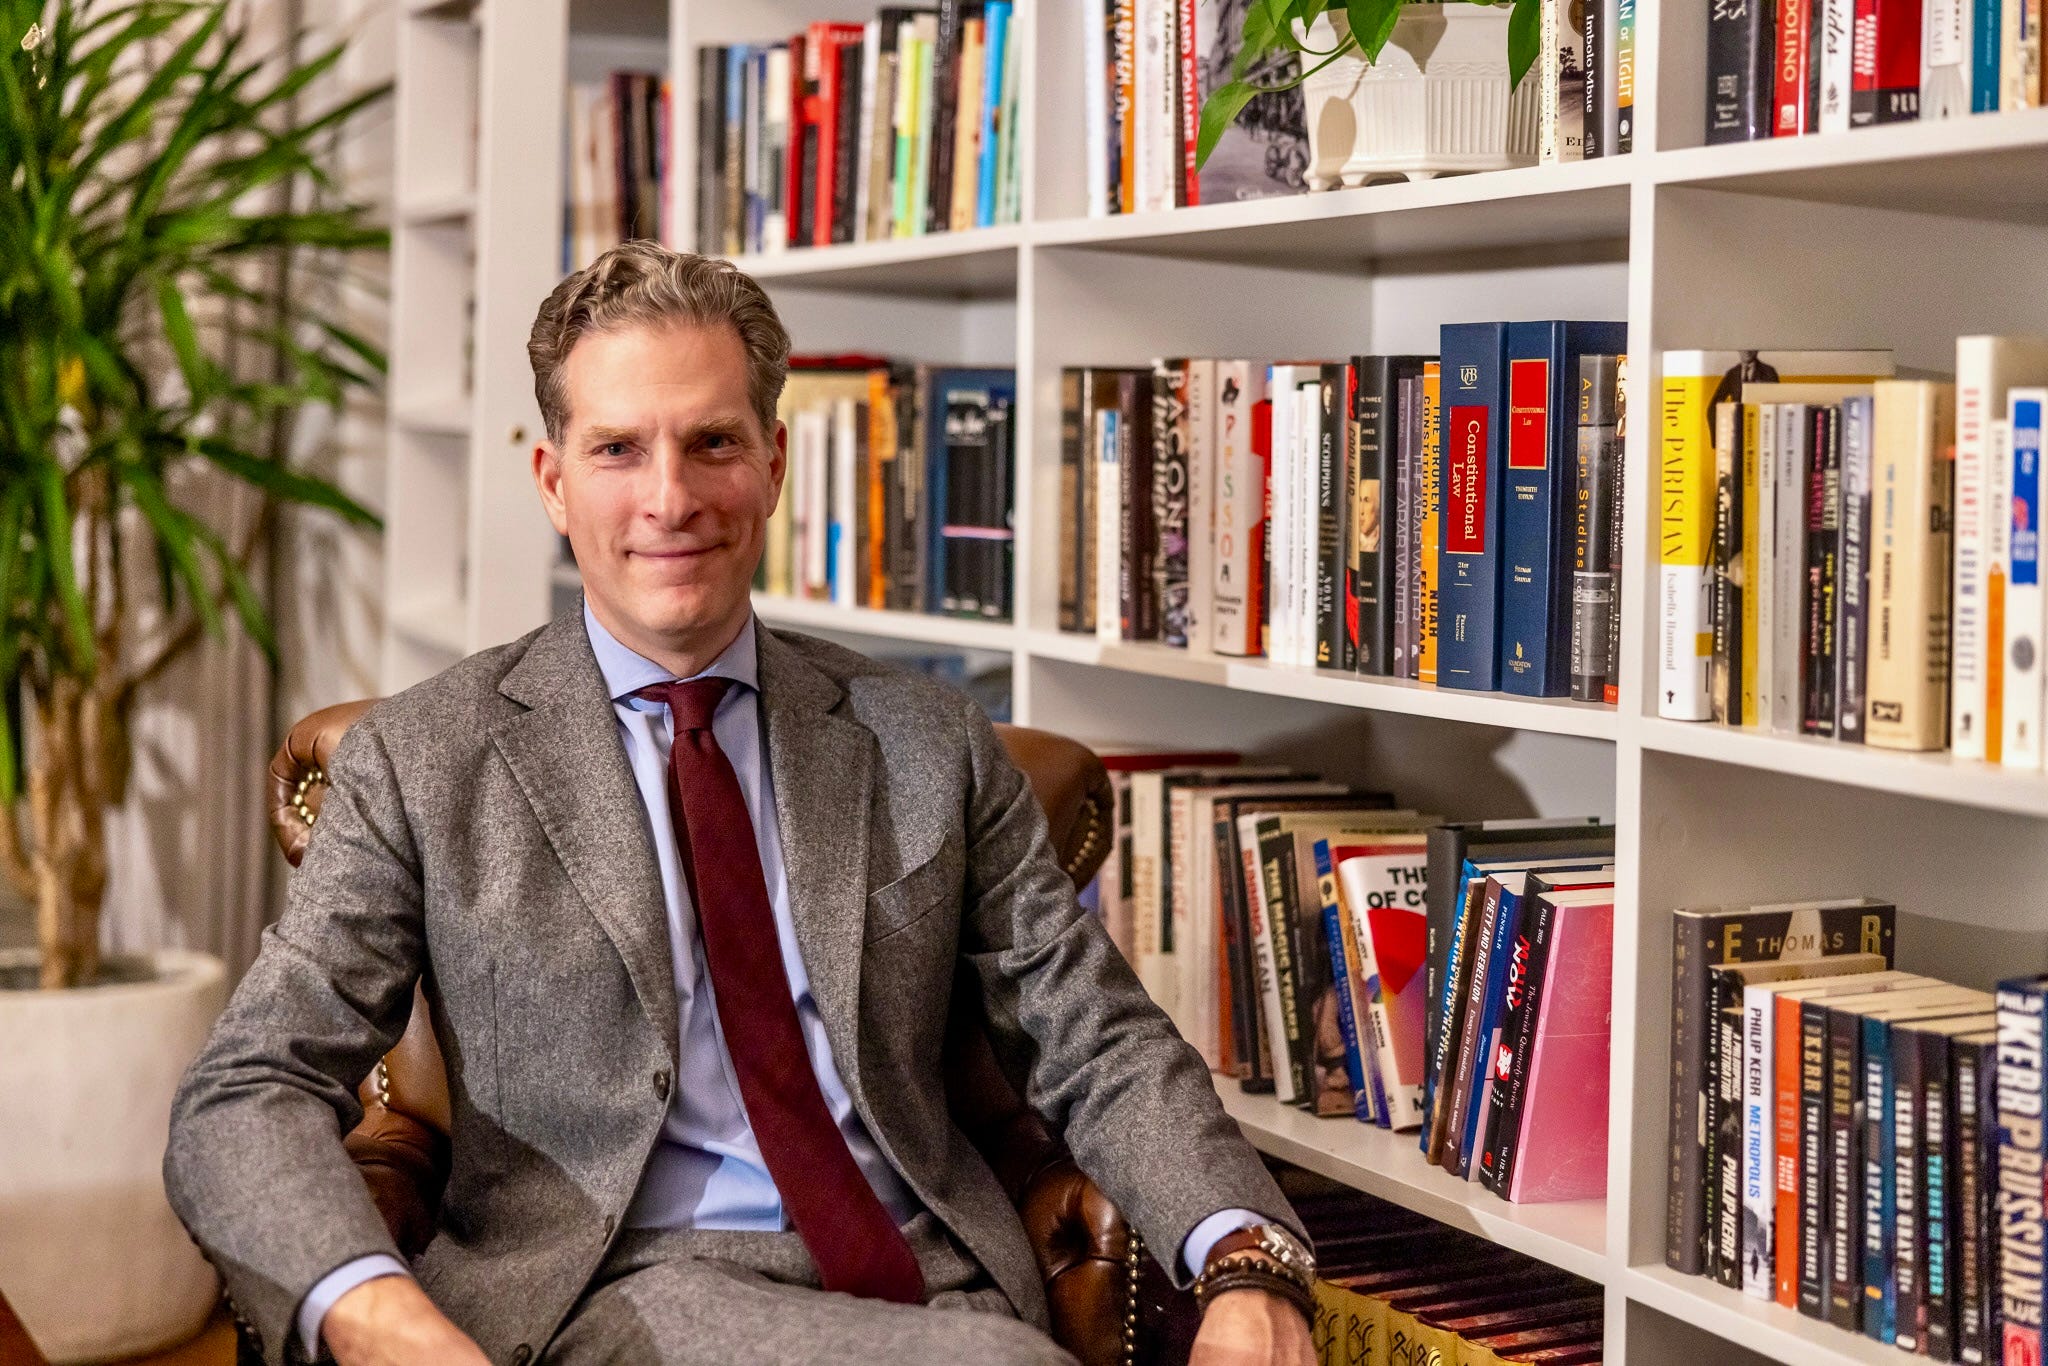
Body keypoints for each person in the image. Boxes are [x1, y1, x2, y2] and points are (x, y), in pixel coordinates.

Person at [165, 242, 1319, 1366]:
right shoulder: (424, 760)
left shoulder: (927, 740)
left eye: (711, 441)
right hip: (611, 1293)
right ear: (553, 482)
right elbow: (248, 1086)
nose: (670, 498)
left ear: (772, 462)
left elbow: (1097, 1036)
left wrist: (1246, 1258)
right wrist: (376, 1312)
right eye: (618, 449)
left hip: (933, 1281)